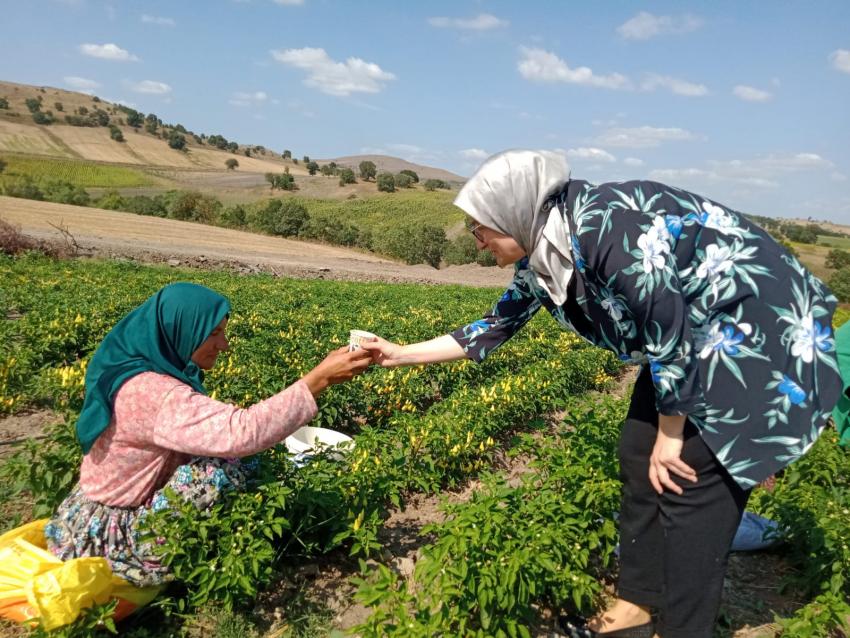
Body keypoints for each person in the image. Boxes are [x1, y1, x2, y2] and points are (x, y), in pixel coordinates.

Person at [363, 150, 843, 638]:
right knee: (638, 451)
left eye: (481, 226)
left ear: (514, 212)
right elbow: (493, 326)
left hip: (749, 335)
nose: (477, 238)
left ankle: (684, 628)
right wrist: (398, 354)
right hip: (688, 342)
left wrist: (672, 435)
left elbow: (666, 323)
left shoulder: (606, 230)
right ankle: (637, 605)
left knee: (692, 484)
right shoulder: (545, 251)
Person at [44, 282, 371, 587]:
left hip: (82, 514)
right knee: (227, 466)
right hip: (105, 538)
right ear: (180, 329)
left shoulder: (136, 366)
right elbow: (242, 432)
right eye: (213, 333)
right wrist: (318, 380)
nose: (224, 345)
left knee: (221, 453)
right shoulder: (154, 392)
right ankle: (168, 559)